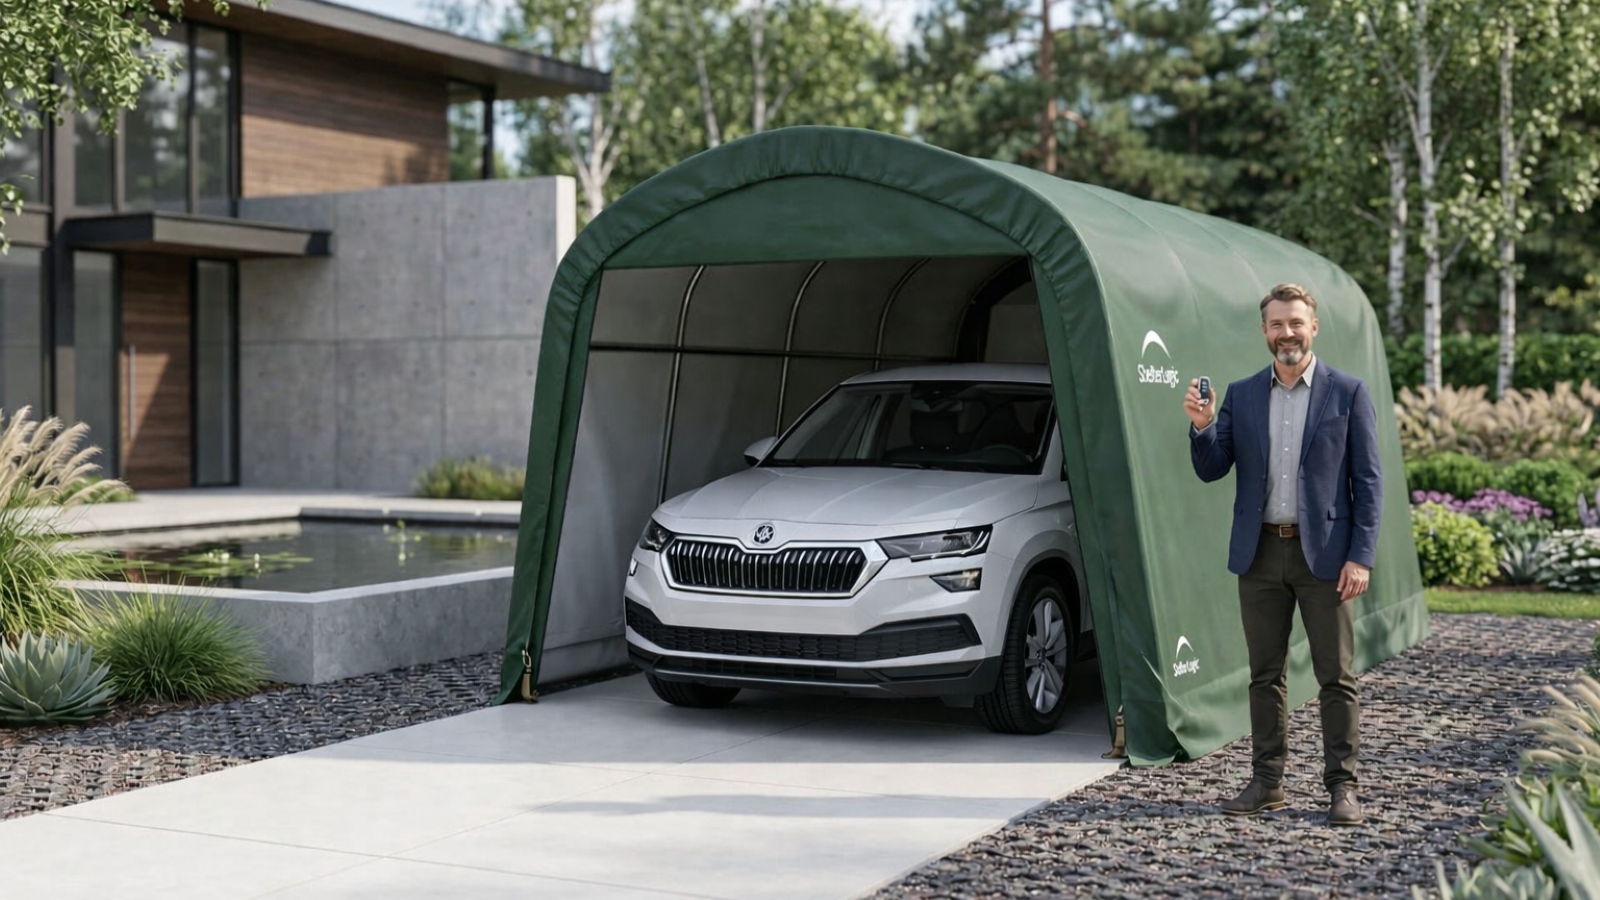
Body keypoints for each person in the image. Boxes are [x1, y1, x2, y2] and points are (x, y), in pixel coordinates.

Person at [1183, 282, 1382, 827]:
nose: (1287, 333)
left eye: (1296, 322)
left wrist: (1360, 556)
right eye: (1277, 324)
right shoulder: (1243, 394)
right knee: (1264, 676)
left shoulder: (1348, 392)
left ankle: (1343, 788)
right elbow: (1211, 468)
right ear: (1264, 331)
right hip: (1260, 555)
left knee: (1336, 677)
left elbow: (1368, 481)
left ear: (1313, 327)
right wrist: (1202, 426)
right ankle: (1267, 783)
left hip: (1327, 559)